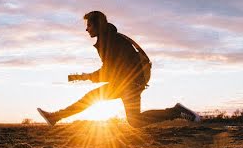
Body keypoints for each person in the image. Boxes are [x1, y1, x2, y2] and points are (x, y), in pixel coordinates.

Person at [38, 11, 201, 127]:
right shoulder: (110, 38)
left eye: (89, 25)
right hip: (131, 82)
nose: (86, 29)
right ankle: (175, 111)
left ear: (97, 25)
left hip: (128, 83)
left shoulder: (108, 41)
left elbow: (109, 71)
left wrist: (85, 77)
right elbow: (112, 69)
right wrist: (88, 76)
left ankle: (55, 117)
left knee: (90, 98)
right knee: (135, 121)